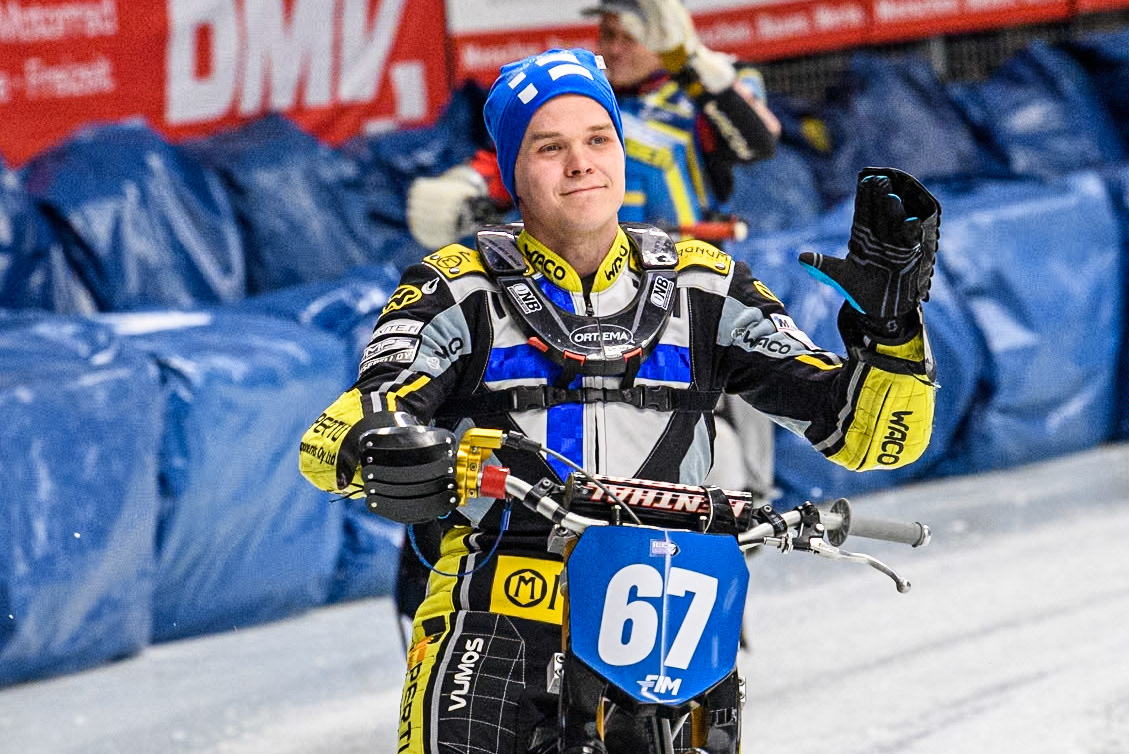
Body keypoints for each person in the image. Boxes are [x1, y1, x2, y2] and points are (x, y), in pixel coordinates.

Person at [299, 47, 939, 753]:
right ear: (512, 169)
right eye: (550, 147)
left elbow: (870, 439)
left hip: (669, 607)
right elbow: (344, 425)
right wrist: (379, 443)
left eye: (598, 139)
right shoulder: (455, 287)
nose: (581, 163)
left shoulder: (706, 284)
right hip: (498, 602)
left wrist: (890, 337)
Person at [405, 0, 781, 251]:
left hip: (686, 278)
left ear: (667, 38)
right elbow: (520, 163)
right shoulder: (572, 96)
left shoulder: (711, 84)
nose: (614, 49)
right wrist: (467, 187)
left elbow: (757, 144)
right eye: (608, 34)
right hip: (580, 287)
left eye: (630, 38)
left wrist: (690, 62)